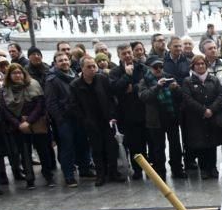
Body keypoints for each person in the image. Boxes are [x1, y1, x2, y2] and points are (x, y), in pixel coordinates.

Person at [71, 57, 125, 187]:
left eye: (93, 66)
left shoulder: (102, 79)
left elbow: (111, 98)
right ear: (82, 69)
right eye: (89, 67)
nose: (92, 69)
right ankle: (101, 174)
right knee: (97, 149)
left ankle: (113, 172)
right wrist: (84, 120)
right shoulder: (75, 85)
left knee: (111, 147)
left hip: (107, 120)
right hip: (90, 122)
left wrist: (112, 115)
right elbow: (74, 105)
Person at [0, 64, 55, 189]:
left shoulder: (33, 84)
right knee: (25, 153)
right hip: (18, 127)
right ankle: (30, 179)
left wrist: (28, 121)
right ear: (9, 76)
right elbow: (5, 110)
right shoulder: (4, 90)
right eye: (14, 73)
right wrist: (18, 124)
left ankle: (48, 176)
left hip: (36, 123)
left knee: (43, 151)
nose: (17, 75)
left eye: (19, 72)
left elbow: (40, 105)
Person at [45, 51, 92, 187]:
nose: (64, 62)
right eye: (60, 60)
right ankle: (69, 175)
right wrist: (60, 119)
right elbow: (51, 103)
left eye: (66, 60)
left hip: (78, 117)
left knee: (83, 144)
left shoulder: (75, 75)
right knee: (67, 148)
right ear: (55, 63)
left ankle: (85, 169)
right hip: (65, 120)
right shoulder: (52, 80)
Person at [138, 56, 185, 179]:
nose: (159, 69)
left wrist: (176, 89)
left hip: (171, 116)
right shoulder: (145, 80)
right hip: (155, 119)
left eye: (161, 66)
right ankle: (160, 172)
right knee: (158, 147)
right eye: (155, 67)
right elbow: (144, 97)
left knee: (175, 145)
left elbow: (180, 97)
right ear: (149, 68)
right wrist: (157, 86)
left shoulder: (169, 76)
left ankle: (177, 169)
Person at [180, 54, 222, 179]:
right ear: (193, 66)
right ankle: (204, 169)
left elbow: (221, 96)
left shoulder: (214, 79)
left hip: (212, 117)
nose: (200, 66)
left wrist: (211, 109)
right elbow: (187, 99)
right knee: (200, 145)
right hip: (196, 119)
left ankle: (213, 167)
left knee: (212, 144)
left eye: (202, 64)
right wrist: (203, 110)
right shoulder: (187, 81)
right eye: (197, 64)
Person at [109, 44, 148, 180]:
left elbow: (147, 83)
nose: (127, 55)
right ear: (119, 55)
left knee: (147, 142)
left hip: (144, 111)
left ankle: (149, 169)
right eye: (124, 53)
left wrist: (135, 88)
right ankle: (137, 170)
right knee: (133, 144)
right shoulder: (115, 72)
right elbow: (114, 89)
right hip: (126, 114)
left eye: (129, 52)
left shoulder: (142, 67)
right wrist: (127, 76)